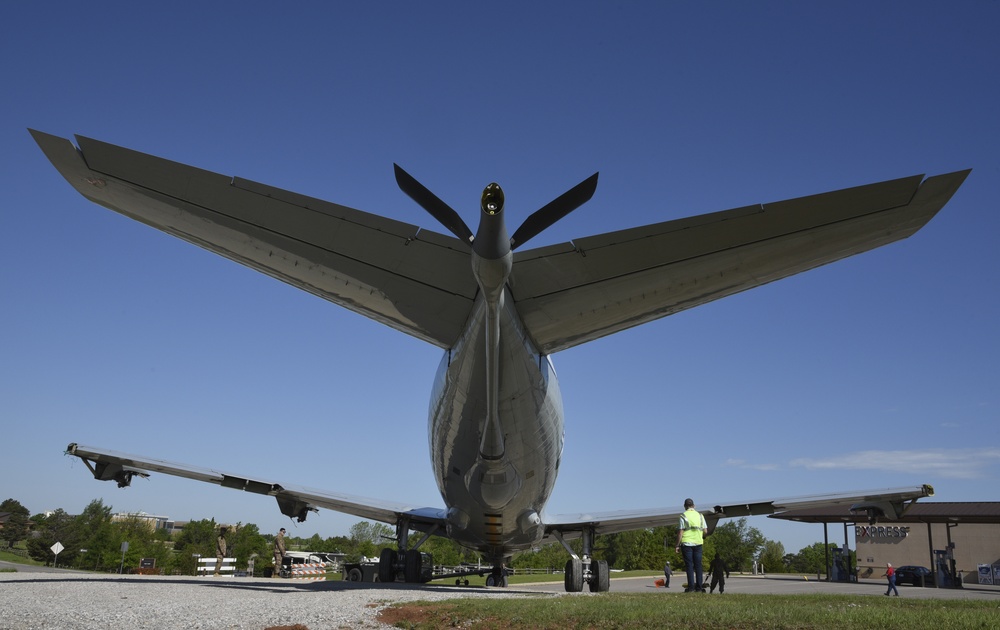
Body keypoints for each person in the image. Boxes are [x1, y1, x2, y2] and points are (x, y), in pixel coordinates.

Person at [675, 498, 708, 592]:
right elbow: (705, 531)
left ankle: (691, 588)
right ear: (694, 506)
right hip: (698, 542)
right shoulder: (700, 516)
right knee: (698, 565)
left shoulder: (683, 516)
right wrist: (702, 536)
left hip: (687, 543)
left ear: (685, 506)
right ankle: (699, 588)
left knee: (689, 566)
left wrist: (677, 545)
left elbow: (680, 532)